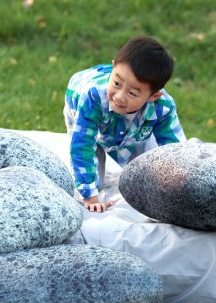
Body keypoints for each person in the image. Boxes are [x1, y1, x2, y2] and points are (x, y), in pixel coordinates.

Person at [64, 36, 186, 212]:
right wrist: (90, 197)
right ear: (113, 67)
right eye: (116, 83)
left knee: (147, 169)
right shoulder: (91, 96)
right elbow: (82, 145)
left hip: (134, 127)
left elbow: (174, 148)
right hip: (82, 109)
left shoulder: (162, 107)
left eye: (132, 93)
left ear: (153, 96)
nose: (120, 96)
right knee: (93, 178)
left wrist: (180, 182)